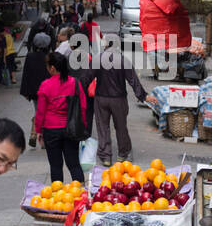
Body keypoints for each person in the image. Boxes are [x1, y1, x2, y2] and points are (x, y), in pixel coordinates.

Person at [91, 39, 147, 167]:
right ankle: (123, 154)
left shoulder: (97, 59)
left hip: (101, 98)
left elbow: (87, 77)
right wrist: (143, 96)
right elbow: (133, 80)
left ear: (105, 45)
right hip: (119, 99)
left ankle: (106, 157)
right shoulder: (123, 60)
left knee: (103, 127)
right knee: (121, 126)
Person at [36, 50, 87, 184]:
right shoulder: (75, 82)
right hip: (71, 128)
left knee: (55, 165)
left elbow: (40, 112)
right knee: (74, 163)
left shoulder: (45, 85)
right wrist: (84, 127)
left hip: (51, 130)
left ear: (52, 68)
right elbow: (83, 106)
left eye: (47, 65)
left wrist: (38, 131)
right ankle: (81, 193)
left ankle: (58, 197)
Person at [19, 31, 52, 147]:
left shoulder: (30, 56)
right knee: (44, 112)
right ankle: (39, 137)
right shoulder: (49, 57)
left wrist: (25, 91)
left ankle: (35, 134)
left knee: (39, 110)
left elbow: (26, 74)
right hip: (48, 90)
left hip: (34, 91)